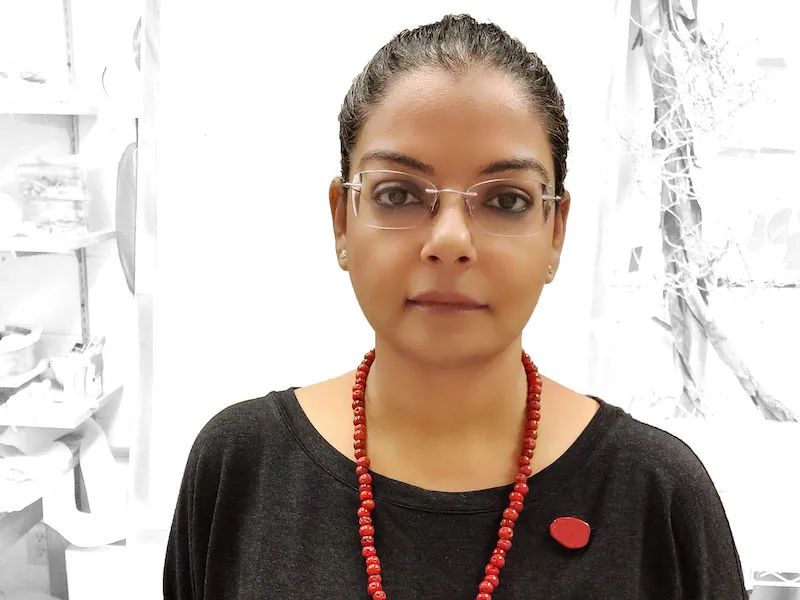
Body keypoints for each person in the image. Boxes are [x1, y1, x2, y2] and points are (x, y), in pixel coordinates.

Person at [163, 14, 748, 600]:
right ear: (342, 220)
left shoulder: (660, 498)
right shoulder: (238, 468)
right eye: (398, 194)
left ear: (556, 233)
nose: (448, 242)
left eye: (506, 201)